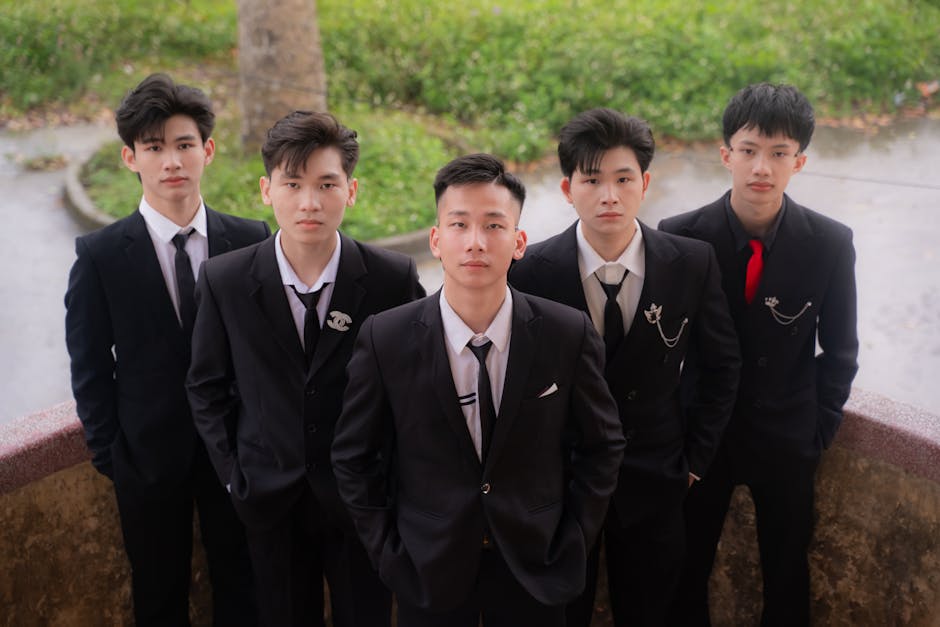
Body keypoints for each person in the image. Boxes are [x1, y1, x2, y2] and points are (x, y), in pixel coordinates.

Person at [331, 153, 625, 627]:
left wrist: (572, 538)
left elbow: (602, 445)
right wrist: (391, 554)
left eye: (493, 226)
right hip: (427, 571)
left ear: (519, 241)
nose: (475, 242)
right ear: (436, 239)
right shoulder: (384, 338)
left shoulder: (565, 334)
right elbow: (354, 457)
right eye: (459, 224)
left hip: (537, 567)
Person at [186, 110, 424, 627]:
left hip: (364, 504)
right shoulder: (225, 280)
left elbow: (418, 389)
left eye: (326, 184)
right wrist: (234, 476)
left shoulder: (391, 279)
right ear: (266, 191)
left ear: (352, 190)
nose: (309, 202)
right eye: (292, 184)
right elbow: (206, 387)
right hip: (269, 500)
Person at [509, 109, 741, 626]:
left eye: (623, 179)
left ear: (646, 183)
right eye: (592, 181)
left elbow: (721, 366)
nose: (609, 195)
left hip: (657, 480)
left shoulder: (692, 262)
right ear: (568, 189)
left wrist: (695, 461)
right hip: (561, 487)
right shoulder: (529, 273)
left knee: (651, 613)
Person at [64, 73, 266, 626]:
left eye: (183, 144)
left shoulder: (249, 239)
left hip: (238, 455)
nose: (171, 160)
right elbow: (88, 365)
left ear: (208, 150)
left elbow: (265, 348)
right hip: (147, 461)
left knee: (244, 586)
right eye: (155, 148)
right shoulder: (101, 256)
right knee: (158, 594)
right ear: (131, 158)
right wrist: (112, 456)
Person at [659, 83, 859, 626]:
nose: (761, 168)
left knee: (788, 575)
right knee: (684, 571)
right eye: (748, 150)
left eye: (779, 153)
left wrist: (815, 432)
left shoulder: (830, 242)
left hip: (788, 441)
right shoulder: (680, 239)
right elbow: (661, 349)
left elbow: (841, 351)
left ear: (801, 161)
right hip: (702, 441)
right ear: (726, 155)